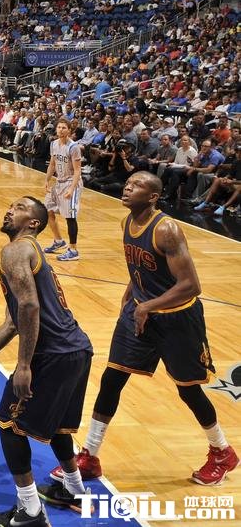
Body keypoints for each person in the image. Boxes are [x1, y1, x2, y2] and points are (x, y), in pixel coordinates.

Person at [49, 172, 236, 487]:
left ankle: (221, 452)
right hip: (139, 314)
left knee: (188, 390)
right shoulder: (126, 223)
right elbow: (141, 268)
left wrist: (146, 306)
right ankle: (90, 455)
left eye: (136, 186)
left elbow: (191, 285)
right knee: (111, 379)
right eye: (128, 183)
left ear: (153, 197)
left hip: (177, 320)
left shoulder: (166, 230)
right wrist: (131, 296)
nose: (127, 187)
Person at [0, 197, 93, 527]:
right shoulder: (31, 252)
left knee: (8, 424)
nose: (9, 210)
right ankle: (74, 490)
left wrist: (23, 365)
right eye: (10, 205)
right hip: (78, 349)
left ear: (33, 222)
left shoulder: (16, 250)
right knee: (58, 425)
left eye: (19, 207)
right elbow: (12, 322)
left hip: (53, 354)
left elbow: (29, 307)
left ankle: (30, 510)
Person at [43, 119, 83, 261]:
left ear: (69, 130)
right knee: (47, 210)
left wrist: (72, 189)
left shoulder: (73, 147)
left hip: (71, 182)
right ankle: (59, 241)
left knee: (70, 217)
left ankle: (73, 250)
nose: (60, 129)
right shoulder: (54, 144)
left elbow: (77, 171)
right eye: (59, 127)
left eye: (64, 127)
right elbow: (52, 164)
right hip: (59, 182)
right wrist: (47, 180)